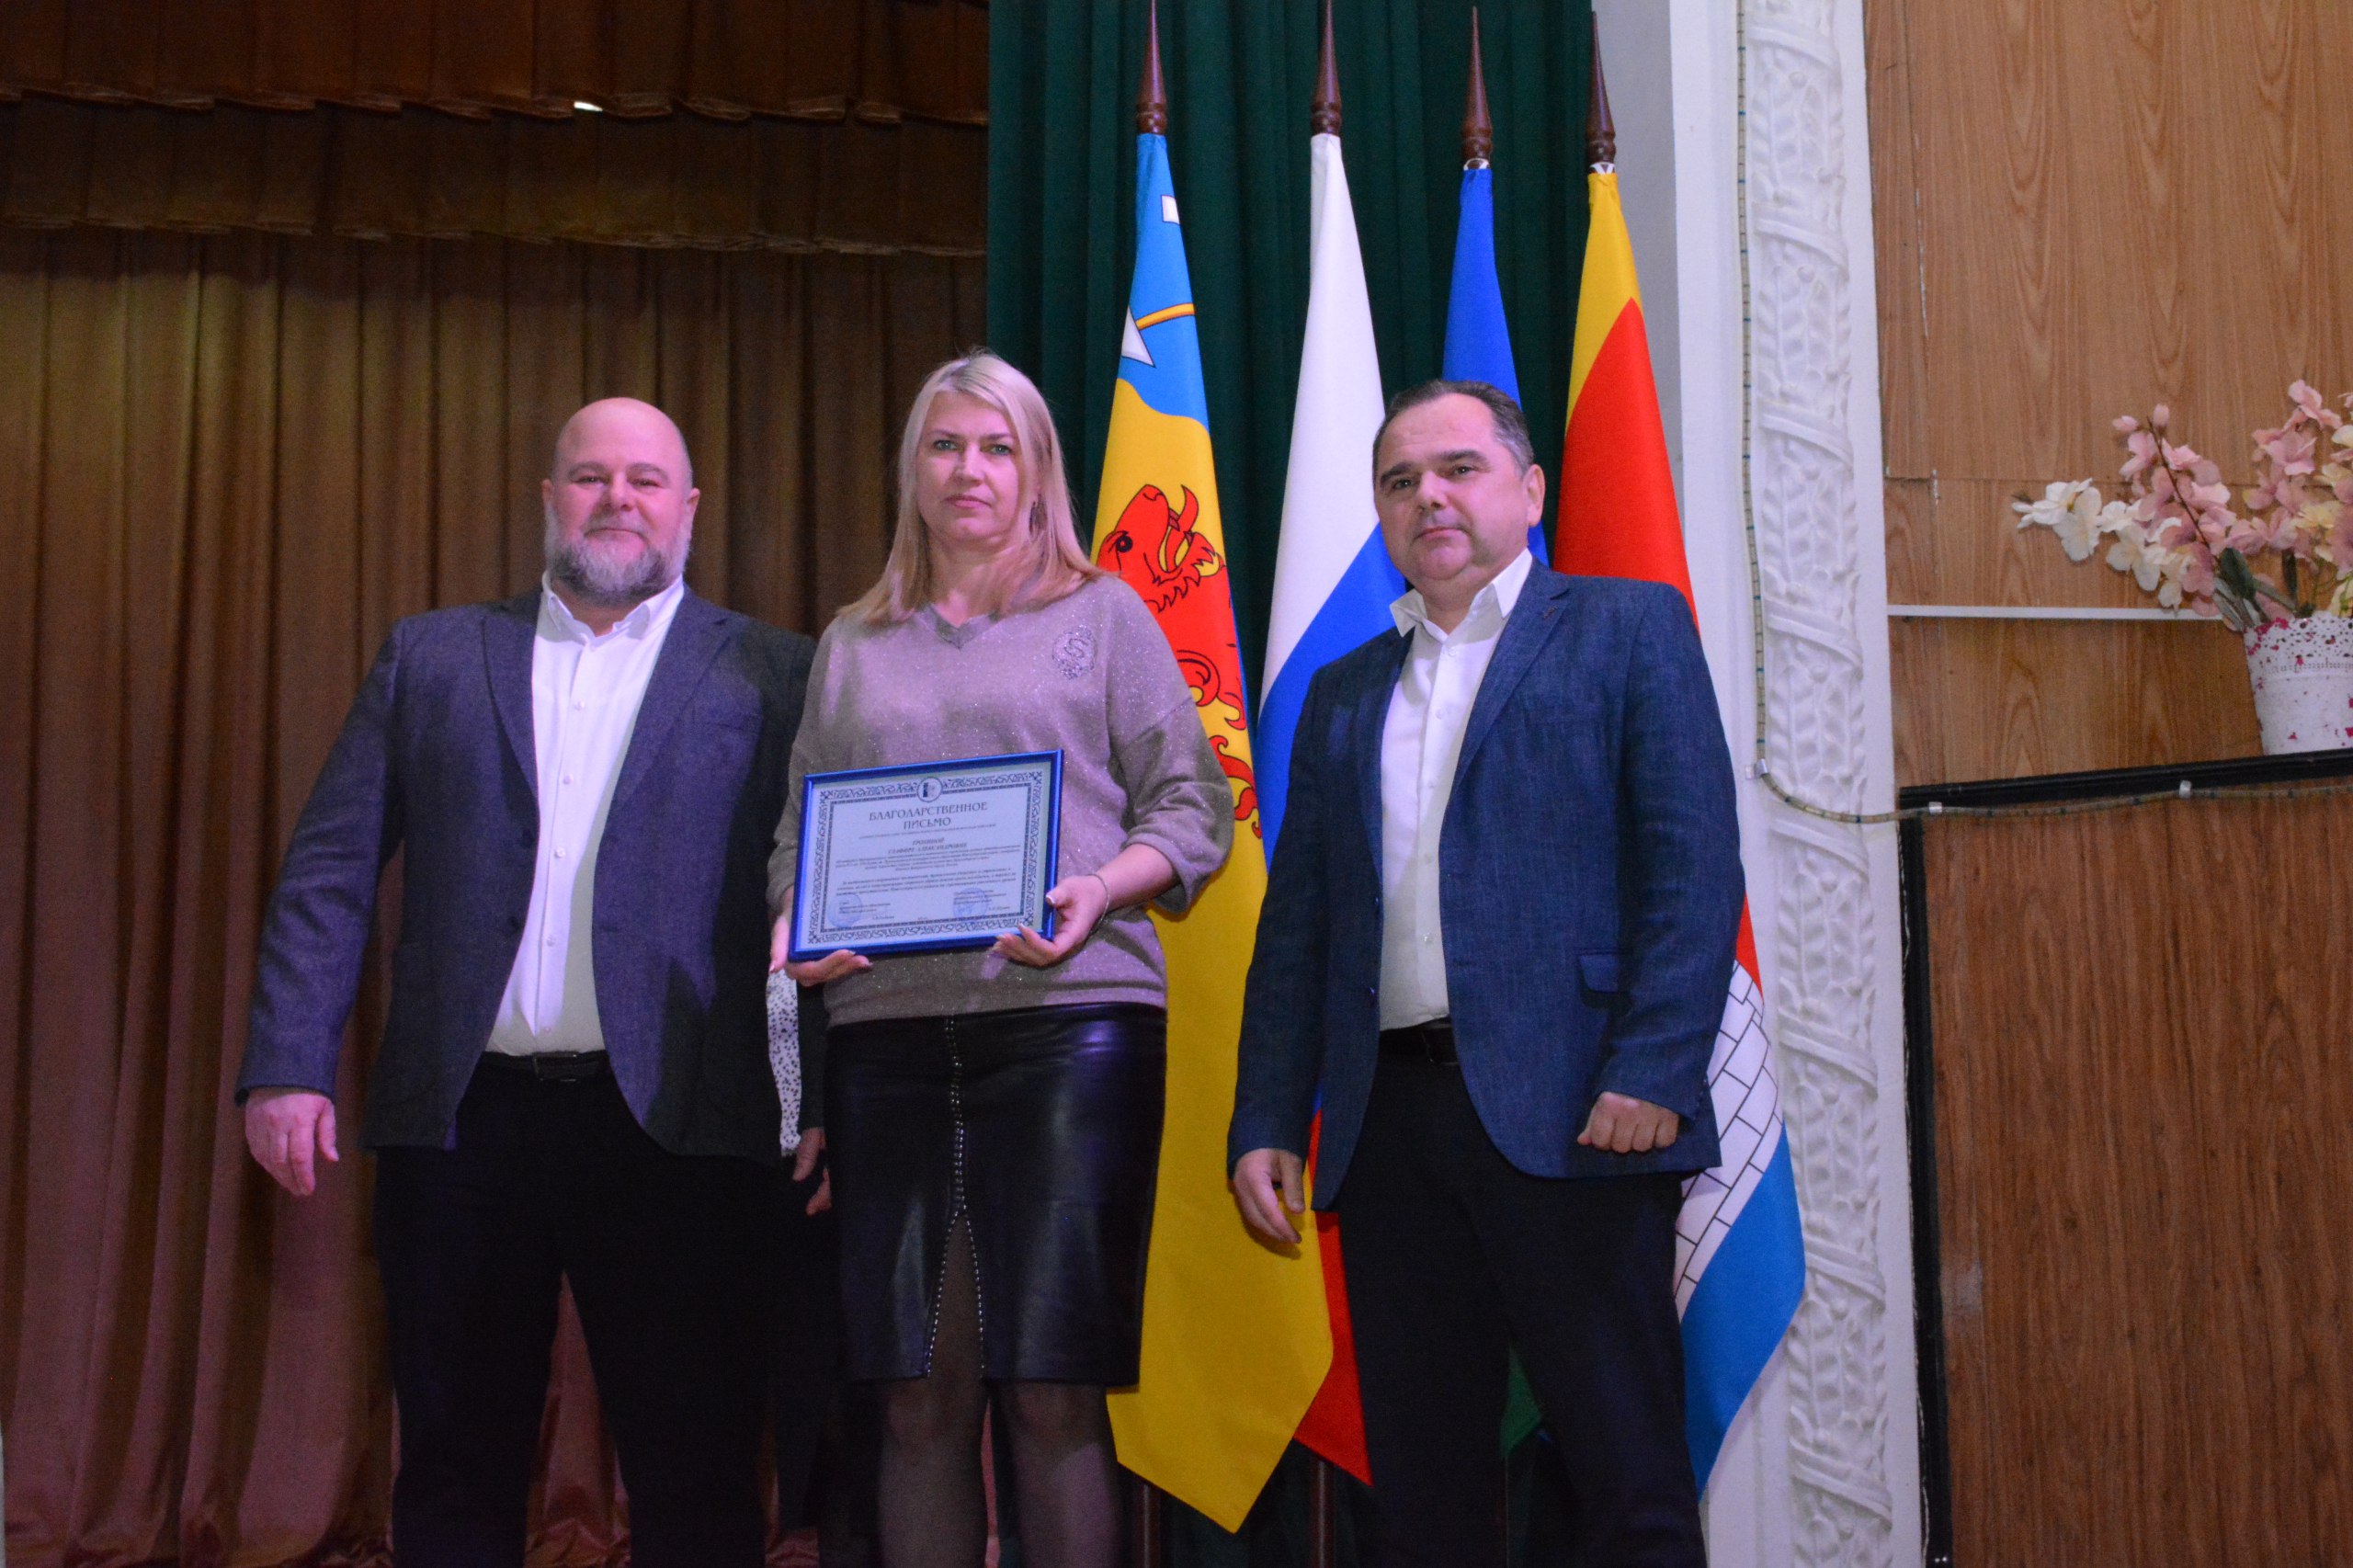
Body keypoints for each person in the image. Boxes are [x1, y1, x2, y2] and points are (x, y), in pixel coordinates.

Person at [237, 398, 824, 1568]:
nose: (619, 499)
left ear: (689, 507)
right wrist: (287, 1064)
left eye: (646, 479)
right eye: (591, 476)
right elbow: (329, 868)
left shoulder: (774, 669)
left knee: (699, 1469)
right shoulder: (432, 655)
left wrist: (822, 1098)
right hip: (464, 1125)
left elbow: (813, 896)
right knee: (453, 1462)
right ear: (549, 498)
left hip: (683, 1128)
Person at [1228, 381, 1743, 1566]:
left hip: (1583, 1111)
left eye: (1457, 468)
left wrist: (1654, 1066)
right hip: (1391, 1128)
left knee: (1625, 1477)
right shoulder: (1344, 687)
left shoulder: (1626, 626)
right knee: (1423, 1498)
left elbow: (1690, 864)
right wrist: (1266, 1114)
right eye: (1400, 481)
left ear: (1529, 488)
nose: (1429, 497)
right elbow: (1298, 926)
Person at [770, 350, 1233, 1568]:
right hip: (886, 1040)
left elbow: (1191, 809)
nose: (967, 470)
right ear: (912, 471)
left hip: (1071, 1026)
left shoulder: (1104, 614)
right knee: (915, 1390)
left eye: (995, 447)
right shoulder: (853, 639)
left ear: (1037, 472)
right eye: (944, 445)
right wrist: (796, 920)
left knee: (1049, 1387)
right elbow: (798, 833)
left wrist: (1099, 888)